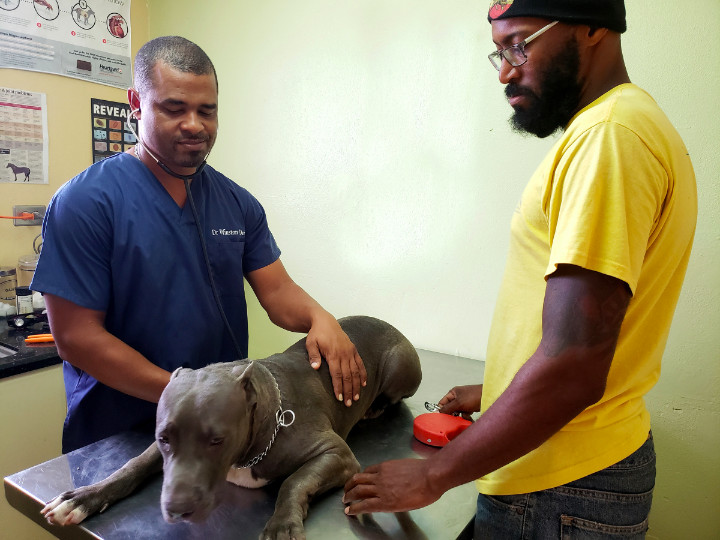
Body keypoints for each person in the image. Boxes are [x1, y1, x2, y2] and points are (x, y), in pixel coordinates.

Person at [343, 1, 697, 537]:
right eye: (499, 50)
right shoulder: (623, 126)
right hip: (572, 470)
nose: (506, 69)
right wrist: (499, 388)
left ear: (595, 27)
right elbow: (592, 335)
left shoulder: (610, 139)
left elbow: (575, 362)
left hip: (558, 487)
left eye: (521, 43)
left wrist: (435, 474)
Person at [32, 36, 367, 454]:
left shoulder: (238, 204)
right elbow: (76, 337)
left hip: (215, 433)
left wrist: (321, 319)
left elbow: (279, 293)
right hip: (118, 435)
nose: (194, 124)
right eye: (174, 108)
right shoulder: (85, 203)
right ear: (136, 103)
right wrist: (184, 395)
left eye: (206, 111)